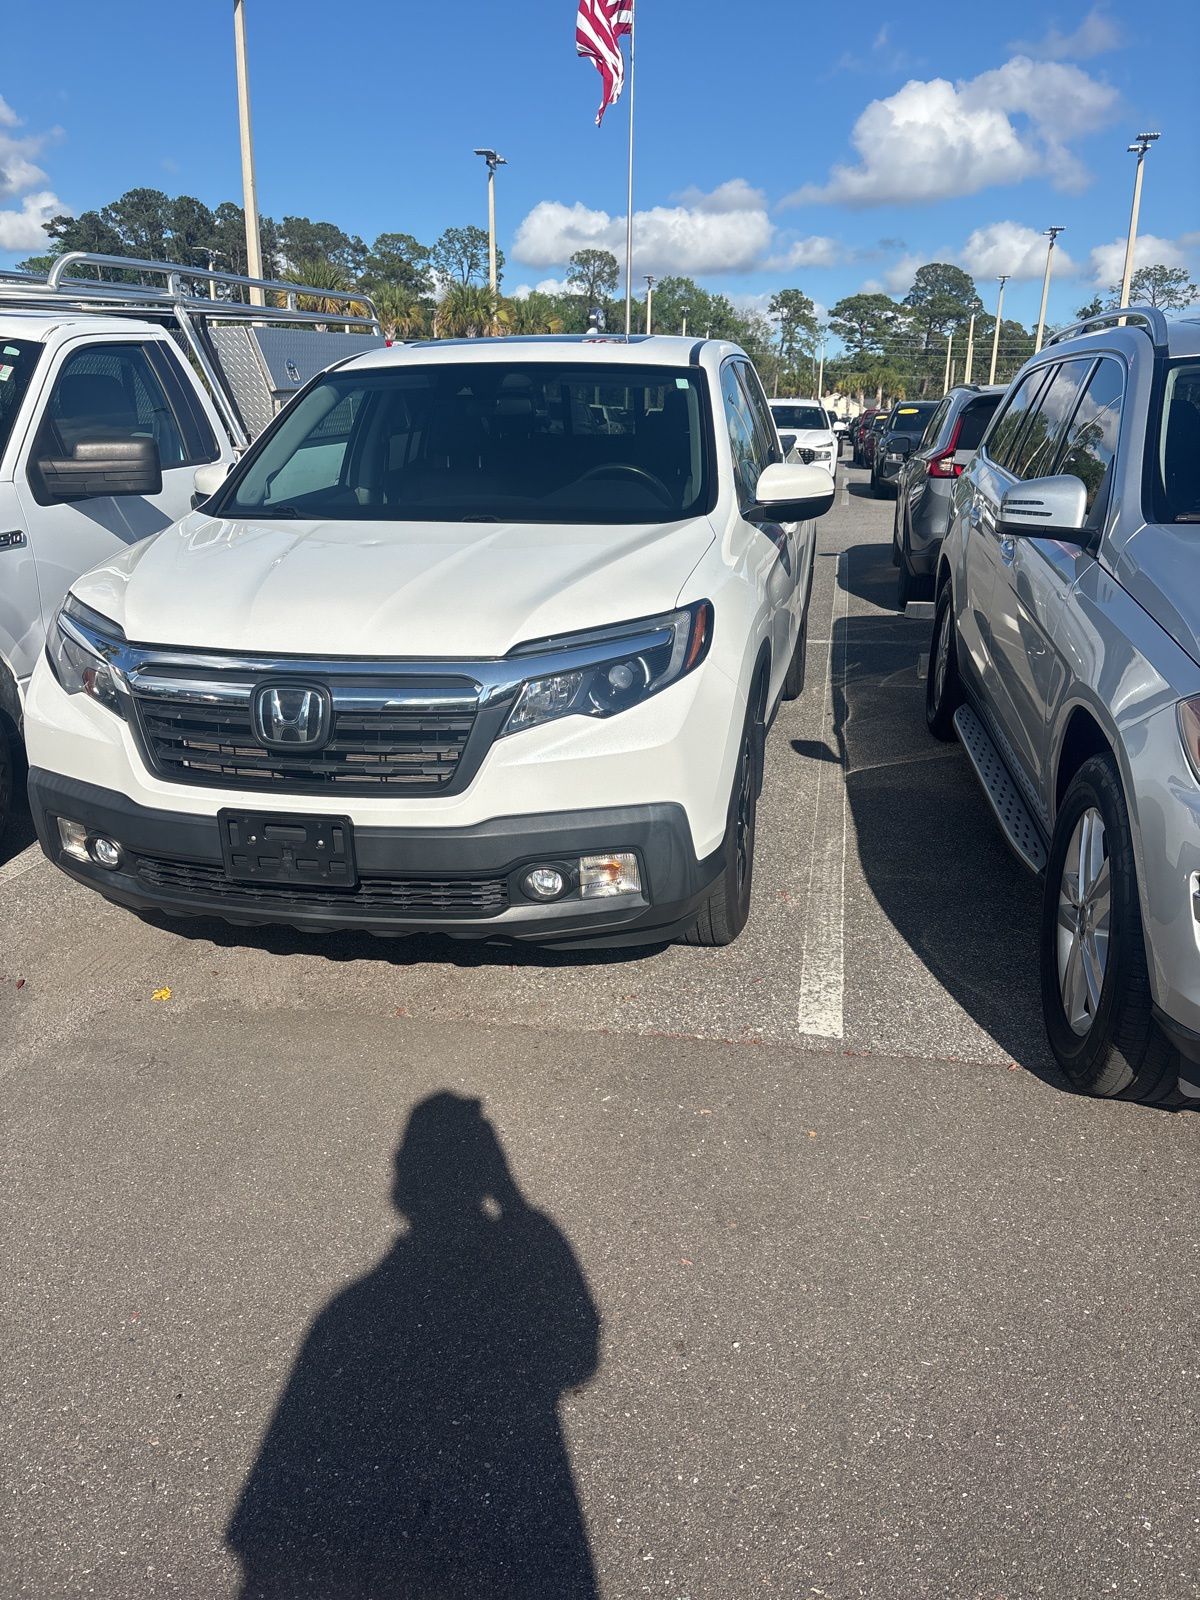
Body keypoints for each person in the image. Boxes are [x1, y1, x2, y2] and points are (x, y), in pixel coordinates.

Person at [228, 1092, 601, 1599]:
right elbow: (577, 1358)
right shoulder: (527, 1240)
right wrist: (512, 1203)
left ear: (404, 1179)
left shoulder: (350, 1311)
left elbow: (276, 1496)